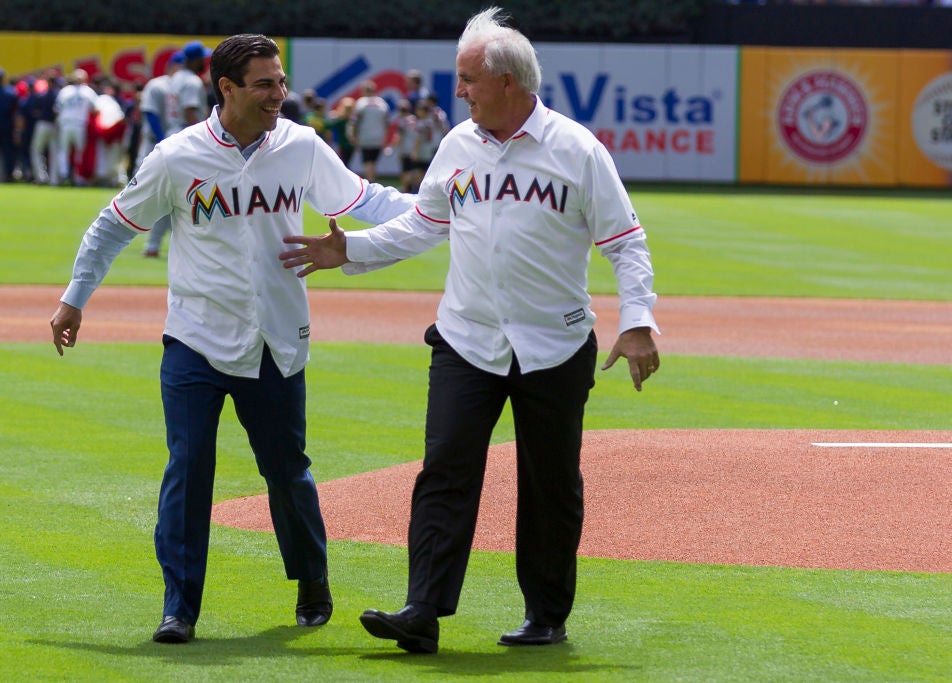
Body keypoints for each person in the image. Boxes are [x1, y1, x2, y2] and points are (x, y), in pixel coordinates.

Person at [280, 6, 659, 654]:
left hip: (554, 344)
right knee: (445, 470)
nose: (458, 91)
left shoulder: (577, 149)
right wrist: (355, 251)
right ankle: (422, 610)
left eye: (468, 79)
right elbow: (424, 224)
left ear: (508, 81)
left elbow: (625, 242)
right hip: (466, 337)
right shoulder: (457, 145)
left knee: (551, 482)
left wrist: (640, 320)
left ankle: (545, 614)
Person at [50, 33, 415, 645]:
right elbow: (112, 226)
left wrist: (444, 211)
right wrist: (73, 299)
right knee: (188, 469)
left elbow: (367, 199)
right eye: (265, 84)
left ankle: (312, 579)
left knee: (286, 471)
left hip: (277, 340)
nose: (280, 94)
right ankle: (179, 607)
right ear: (226, 89)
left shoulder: (300, 146)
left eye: (280, 82)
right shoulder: (176, 157)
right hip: (195, 338)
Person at [137, 52, 183, 258]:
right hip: (154, 148)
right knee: (163, 201)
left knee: (172, 201)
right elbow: (150, 113)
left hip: (174, 150)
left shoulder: (182, 85)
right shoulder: (158, 85)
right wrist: (164, 141)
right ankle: (156, 244)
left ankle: (154, 245)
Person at [55, 69, 98, 186]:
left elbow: (57, 109)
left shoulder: (65, 91)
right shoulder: (88, 91)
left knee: (65, 151)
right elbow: (95, 110)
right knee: (78, 152)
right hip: (79, 124)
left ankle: (65, 175)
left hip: (66, 123)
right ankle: (77, 176)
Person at [349, 80, 390, 182]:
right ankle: (372, 181)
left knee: (367, 162)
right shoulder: (382, 103)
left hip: (365, 136)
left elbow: (354, 121)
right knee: (373, 162)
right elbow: (387, 121)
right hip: (378, 136)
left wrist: (353, 135)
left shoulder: (361, 103)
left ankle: (370, 182)